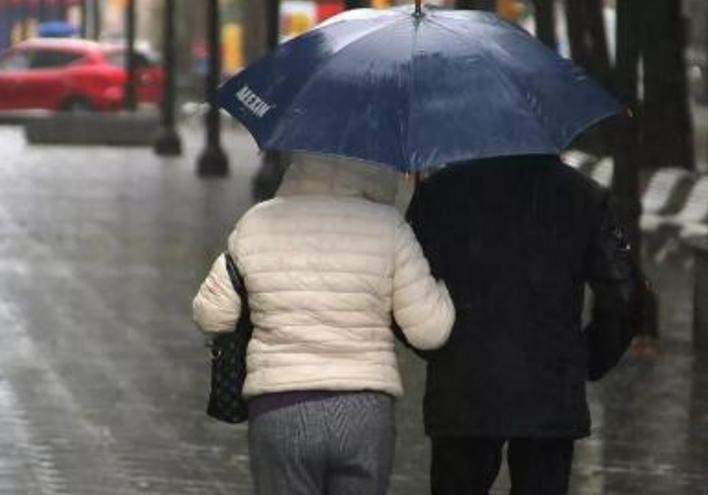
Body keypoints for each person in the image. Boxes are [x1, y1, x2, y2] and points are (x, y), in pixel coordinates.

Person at [192, 152, 455, 495]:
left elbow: (211, 313)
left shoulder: (258, 222)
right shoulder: (388, 227)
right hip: (364, 411)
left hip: (280, 406)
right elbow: (430, 330)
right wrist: (443, 290)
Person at [403, 154, 636, 495]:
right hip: (550, 389)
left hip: (463, 387)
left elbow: (405, 289)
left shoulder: (440, 191)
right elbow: (624, 295)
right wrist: (588, 359)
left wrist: (438, 346)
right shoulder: (581, 195)